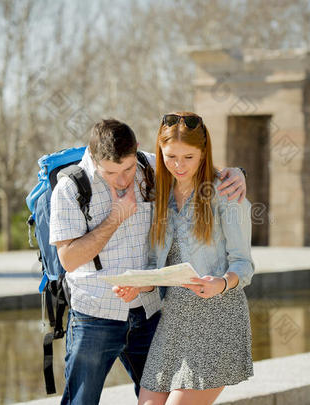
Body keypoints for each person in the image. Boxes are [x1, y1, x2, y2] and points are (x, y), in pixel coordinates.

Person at [50, 118, 247, 405]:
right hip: (95, 315)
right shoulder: (70, 189)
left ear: (138, 151)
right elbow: (68, 260)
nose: (122, 179)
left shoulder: (152, 167)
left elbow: (197, 167)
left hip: (148, 312)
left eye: (128, 168)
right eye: (111, 172)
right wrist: (116, 217)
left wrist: (238, 174)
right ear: (93, 158)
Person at [121, 112, 254, 405]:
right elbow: (157, 269)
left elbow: (244, 264)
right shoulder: (160, 194)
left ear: (204, 153)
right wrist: (138, 286)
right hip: (174, 321)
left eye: (188, 157)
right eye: (170, 157)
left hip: (219, 317)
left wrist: (220, 283)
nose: (179, 165)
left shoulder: (226, 190)